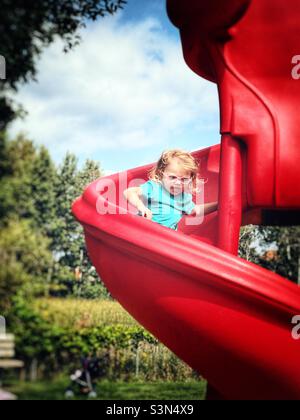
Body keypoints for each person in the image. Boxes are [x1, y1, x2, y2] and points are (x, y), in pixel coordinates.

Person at [124, 149, 218, 231]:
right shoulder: (155, 187)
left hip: (165, 239)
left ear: (190, 179)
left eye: (184, 179)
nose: (177, 183)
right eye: (172, 177)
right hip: (144, 231)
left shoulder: (183, 197)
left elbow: (195, 211)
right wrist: (141, 207)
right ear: (161, 174)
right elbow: (129, 192)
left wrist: (218, 205)